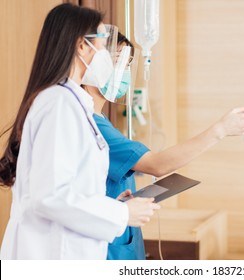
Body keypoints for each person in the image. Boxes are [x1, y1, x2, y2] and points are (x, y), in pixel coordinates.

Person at [0, 3, 160, 260]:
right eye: (103, 44)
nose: (106, 56)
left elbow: (71, 189)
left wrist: (112, 205)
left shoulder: (73, 104)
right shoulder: (59, 104)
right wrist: (122, 214)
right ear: (81, 46)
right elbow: (50, 196)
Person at [82, 32, 244, 260]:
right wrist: (220, 130)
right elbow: (157, 164)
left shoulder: (101, 121)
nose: (122, 71)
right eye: (117, 61)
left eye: (126, 64)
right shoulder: (91, 124)